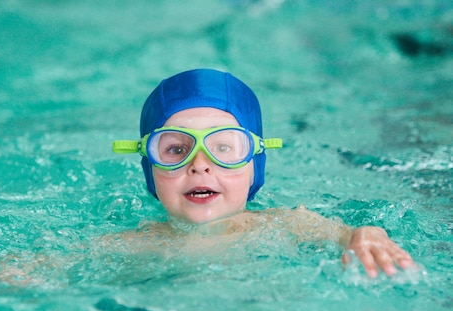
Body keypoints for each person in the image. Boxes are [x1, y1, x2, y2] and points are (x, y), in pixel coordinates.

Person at [112, 68, 415, 278]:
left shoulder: (288, 225)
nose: (199, 164)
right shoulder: (129, 246)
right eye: (176, 150)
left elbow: (348, 235)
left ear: (254, 163)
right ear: (149, 166)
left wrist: (367, 235)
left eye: (224, 147)